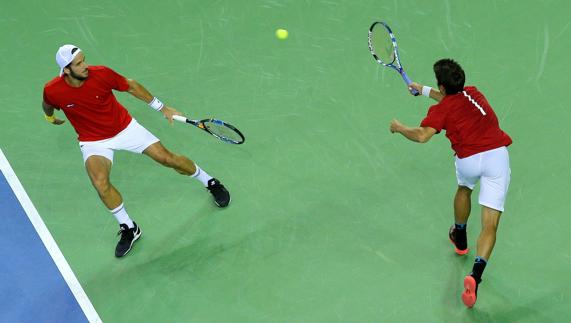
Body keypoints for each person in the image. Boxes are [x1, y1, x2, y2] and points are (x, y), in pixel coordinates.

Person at [42, 44, 231, 258]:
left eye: (84, 60)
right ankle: (129, 228)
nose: (85, 66)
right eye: (79, 64)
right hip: (94, 141)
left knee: (167, 159)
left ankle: (210, 182)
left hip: (125, 129)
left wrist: (163, 108)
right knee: (100, 183)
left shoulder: (101, 74)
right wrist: (49, 117)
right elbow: (47, 103)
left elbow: (131, 86)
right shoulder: (53, 90)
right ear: (66, 70)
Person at [389, 58, 512, 308]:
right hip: (496, 157)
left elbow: (423, 136)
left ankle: (460, 236)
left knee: (464, 189)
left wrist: (399, 127)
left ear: (442, 87)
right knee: (490, 225)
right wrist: (421, 89)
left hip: (468, 160)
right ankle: (475, 275)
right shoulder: (474, 93)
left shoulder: (441, 110)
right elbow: (450, 99)